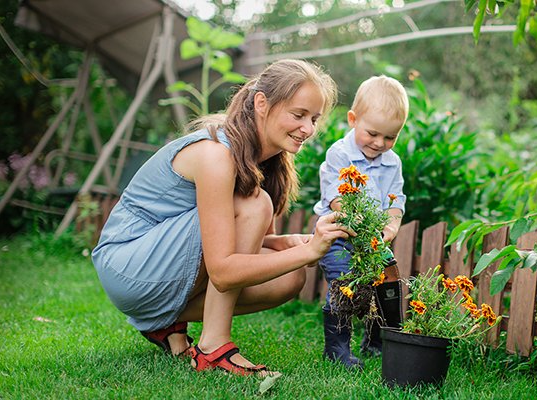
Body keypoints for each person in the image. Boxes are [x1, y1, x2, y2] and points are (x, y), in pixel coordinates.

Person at [92, 59, 351, 377]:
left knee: (291, 277)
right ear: (261, 104)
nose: (308, 129)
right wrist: (309, 251)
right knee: (257, 206)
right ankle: (212, 348)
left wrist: (283, 243)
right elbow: (224, 270)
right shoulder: (217, 154)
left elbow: (234, 240)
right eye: (298, 115)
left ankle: (167, 324)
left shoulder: (260, 157)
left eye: (314, 119)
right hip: (128, 264)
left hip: (156, 262)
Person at [313, 75, 409, 369]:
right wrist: (361, 226)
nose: (380, 143)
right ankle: (337, 349)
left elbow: (396, 201)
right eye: (373, 133)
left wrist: (391, 226)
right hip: (339, 236)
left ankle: (377, 342)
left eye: (390, 137)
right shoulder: (340, 154)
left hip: (373, 240)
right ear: (353, 119)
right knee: (344, 288)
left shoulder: (392, 162)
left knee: (386, 288)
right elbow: (337, 200)